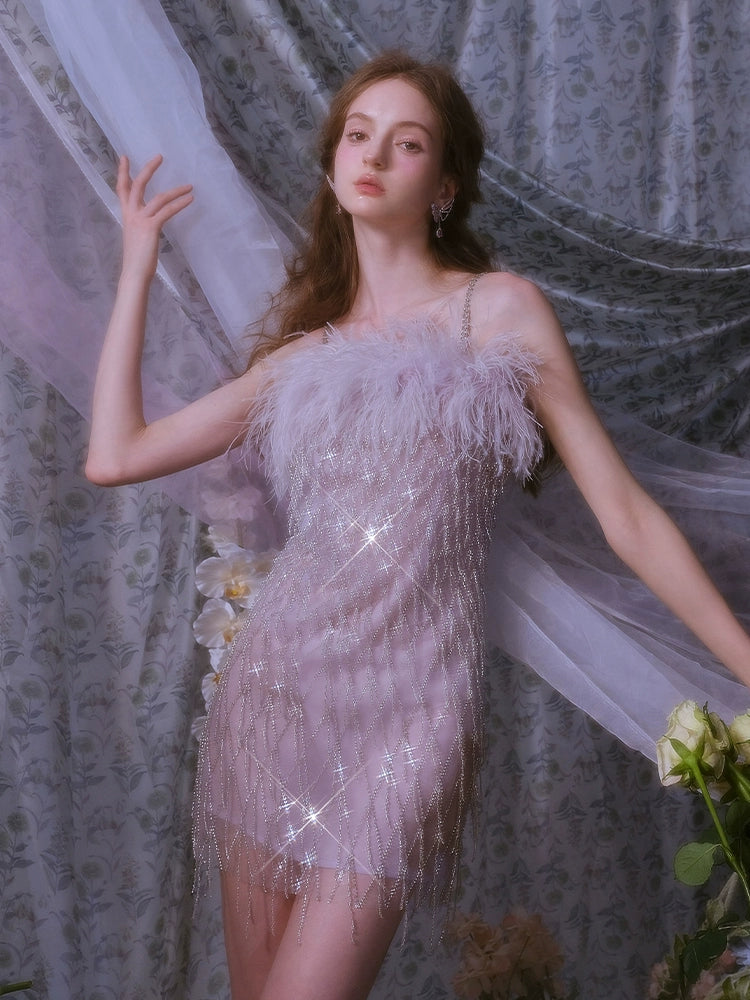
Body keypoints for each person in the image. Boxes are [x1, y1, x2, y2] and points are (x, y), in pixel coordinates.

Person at [85, 51, 750, 1000]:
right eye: (358, 136)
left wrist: (745, 668)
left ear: (443, 186)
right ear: (332, 168)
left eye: (405, 144)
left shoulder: (501, 311)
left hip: (412, 716)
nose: (373, 156)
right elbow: (115, 455)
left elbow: (628, 517)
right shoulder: (302, 360)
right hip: (274, 696)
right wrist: (137, 267)